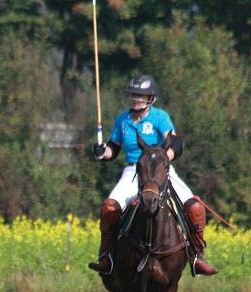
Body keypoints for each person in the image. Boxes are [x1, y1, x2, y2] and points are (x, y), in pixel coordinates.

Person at [89, 74, 218, 276]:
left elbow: (175, 142)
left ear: (150, 98)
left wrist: (162, 159)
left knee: (195, 208)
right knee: (109, 208)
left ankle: (196, 257)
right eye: (133, 95)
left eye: (140, 95)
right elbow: (113, 150)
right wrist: (101, 151)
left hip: (160, 170)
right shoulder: (122, 120)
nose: (135, 99)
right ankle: (107, 257)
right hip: (134, 170)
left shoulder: (160, 117)